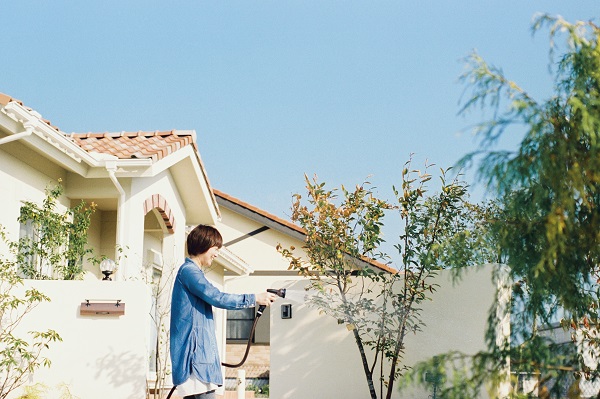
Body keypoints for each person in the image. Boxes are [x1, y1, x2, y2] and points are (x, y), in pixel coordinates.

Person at [170, 224, 277, 399]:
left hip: (198, 364)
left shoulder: (192, 273)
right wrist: (254, 298)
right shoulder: (190, 272)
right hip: (195, 364)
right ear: (203, 245)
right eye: (215, 248)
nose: (217, 253)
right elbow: (217, 297)